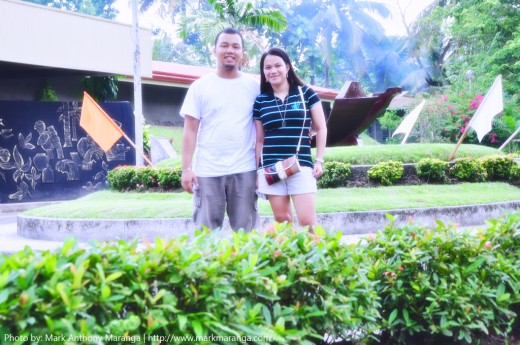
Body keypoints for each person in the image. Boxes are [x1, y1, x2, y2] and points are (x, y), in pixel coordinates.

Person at [179, 27, 259, 232]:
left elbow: (261, 132)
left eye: (236, 46)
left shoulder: (254, 87)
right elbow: (190, 130)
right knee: (205, 236)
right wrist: (186, 169)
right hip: (207, 171)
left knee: (245, 236)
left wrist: (260, 169)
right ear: (214, 51)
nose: (230, 50)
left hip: (245, 169)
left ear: (242, 53)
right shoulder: (200, 86)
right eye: (224, 45)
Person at [254, 47, 327, 229]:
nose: (273, 71)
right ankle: (290, 258)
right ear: (263, 72)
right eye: (267, 67)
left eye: (278, 65)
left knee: (308, 223)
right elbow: (260, 140)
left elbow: (321, 127)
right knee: (283, 221)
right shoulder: (260, 101)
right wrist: (257, 170)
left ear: (287, 67)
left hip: (300, 164)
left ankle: (317, 257)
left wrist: (319, 160)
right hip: (270, 167)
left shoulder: (306, 93)